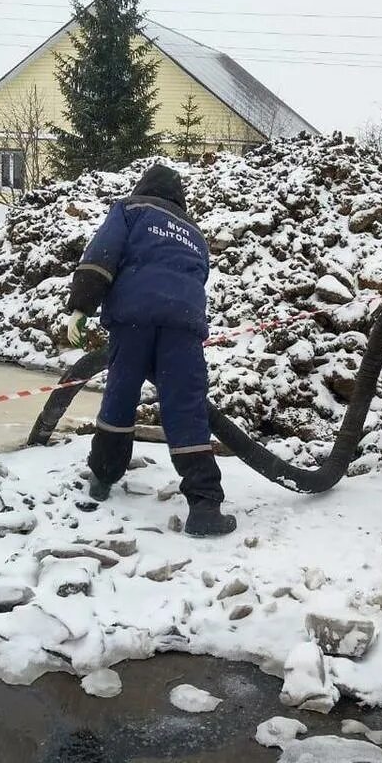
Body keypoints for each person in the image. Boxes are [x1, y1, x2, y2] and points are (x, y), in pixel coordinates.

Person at [66, 164, 236, 537]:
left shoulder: (129, 209)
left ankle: (103, 477)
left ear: (144, 187)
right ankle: (205, 506)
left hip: (134, 318)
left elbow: (102, 255)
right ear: (180, 197)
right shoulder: (194, 233)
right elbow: (199, 276)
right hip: (183, 323)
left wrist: (80, 307)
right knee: (187, 407)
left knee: (121, 394)